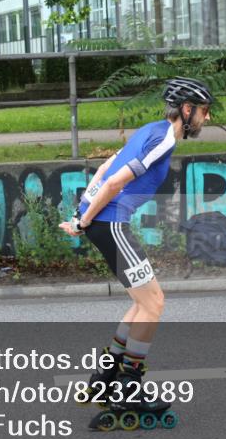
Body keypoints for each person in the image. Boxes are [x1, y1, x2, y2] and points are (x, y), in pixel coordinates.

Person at [59, 77, 213, 420]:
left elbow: (104, 167)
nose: (207, 118)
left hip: (104, 221)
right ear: (187, 110)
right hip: (111, 223)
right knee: (154, 302)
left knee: (142, 303)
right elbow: (114, 181)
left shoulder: (151, 129)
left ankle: (104, 378)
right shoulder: (163, 140)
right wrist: (84, 222)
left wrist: (80, 212)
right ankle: (129, 387)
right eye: (204, 111)